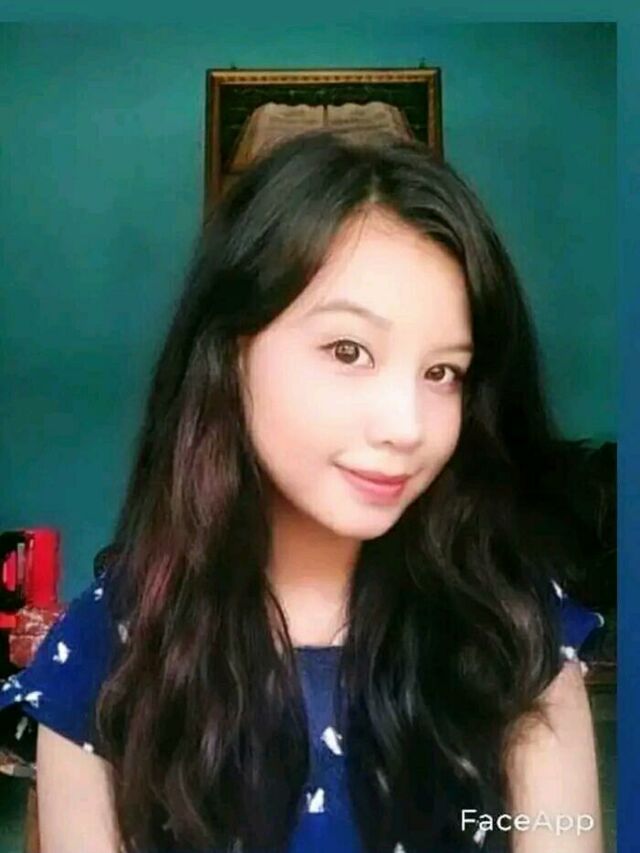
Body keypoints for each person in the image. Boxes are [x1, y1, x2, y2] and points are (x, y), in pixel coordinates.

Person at [0, 130, 605, 853]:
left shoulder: (514, 630)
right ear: (231, 353)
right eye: (349, 351)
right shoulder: (107, 646)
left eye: (442, 372)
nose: (407, 426)